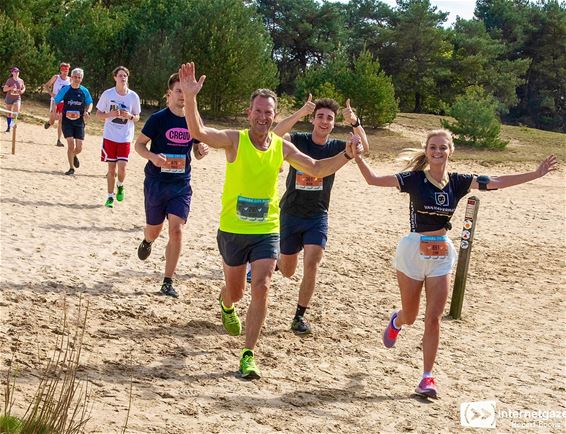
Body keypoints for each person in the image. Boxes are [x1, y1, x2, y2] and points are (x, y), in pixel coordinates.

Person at [178, 62, 364, 380]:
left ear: (274, 116)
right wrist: (191, 98)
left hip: (267, 229)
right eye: (259, 111)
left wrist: (346, 155)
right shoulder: (234, 140)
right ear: (249, 113)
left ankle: (248, 355)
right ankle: (225, 303)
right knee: (236, 293)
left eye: (269, 113)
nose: (264, 117)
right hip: (233, 231)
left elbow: (316, 168)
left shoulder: (281, 147)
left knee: (262, 285)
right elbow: (198, 132)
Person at [352, 129, 558, 398]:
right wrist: (356, 157)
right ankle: (397, 321)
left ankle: (426, 378)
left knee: (434, 318)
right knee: (412, 315)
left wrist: (535, 174)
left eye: (443, 147)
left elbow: (495, 181)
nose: (437, 152)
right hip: (413, 249)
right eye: (433, 147)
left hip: (441, 254)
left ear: (451, 150)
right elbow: (373, 180)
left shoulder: (459, 181)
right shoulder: (414, 179)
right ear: (426, 151)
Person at [271, 95, 369, 335]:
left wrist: (355, 122)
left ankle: (299, 316)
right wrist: (299, 113)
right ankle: (276, 262)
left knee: (313, 262)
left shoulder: (337, 146)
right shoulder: (299, 141)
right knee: (288, 271)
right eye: (320, 117)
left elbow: (364, 149)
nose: (324, 121)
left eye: (330, 118)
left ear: (334, 123)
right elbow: (274, 136)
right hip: (291, 212)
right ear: (313, 120)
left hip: (317, 215)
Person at [135, 73, 209, 298]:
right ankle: (147, 240)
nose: (182, 96)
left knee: (176, 231)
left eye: (186, 92)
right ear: (169, 95)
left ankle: (167, 281)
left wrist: (201, 151)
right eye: (178, 91)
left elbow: (197, 151)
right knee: (154, 230)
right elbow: (138, 145)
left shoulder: (193, 120)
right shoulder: (158, 119)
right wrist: (152, 157)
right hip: (156, 183)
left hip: (180, 184)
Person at [96, 66, 141, 208]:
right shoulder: (108, 94)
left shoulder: (133, 96)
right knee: (111, 168)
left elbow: (137, 117)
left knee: (122, 168)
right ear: (115, 77)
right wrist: (110, 114)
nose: (123, 78)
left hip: (125, 137)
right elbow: (98, 114)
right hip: (110, 136)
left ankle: (120, 185)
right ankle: (110, 196)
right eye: (120, 75)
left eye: (125, 76)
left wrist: (130, 116)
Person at [53, 67, 93, 175]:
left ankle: (74, 155)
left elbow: (90, 102)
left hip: (79, 122)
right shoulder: (66, 89)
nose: (76, 79)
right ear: (72, 77)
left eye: (79, 77)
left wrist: (88, 111)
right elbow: (55, 100)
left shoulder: (84, 91)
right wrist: (54, 113)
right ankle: (71, 168)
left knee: (79, 148)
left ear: (81, 79)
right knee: (70, 145)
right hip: (67, 121)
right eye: (75, 77)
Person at [43, 62, 71, 146]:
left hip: (64, 103)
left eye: (67, 70)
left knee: (61, 121)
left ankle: (58, 140)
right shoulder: (56, 77)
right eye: (64, 69)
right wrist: (51, 93)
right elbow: (46, 85)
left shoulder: (70, 80)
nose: (65, 71)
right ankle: (49, 122)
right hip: (55, 101)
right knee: (53, 120)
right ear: (61, 70)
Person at [3, 67, 25, 133]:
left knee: (16, 112)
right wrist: (11, 87)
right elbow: (4, 89)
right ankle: (8, 127)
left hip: (17, 98)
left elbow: (24, 88)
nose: (17, 73)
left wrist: (22, 91)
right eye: (15, 72)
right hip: (9, 98)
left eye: (18, 71)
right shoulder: (9, 80)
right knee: (9, 114)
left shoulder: (21, 80)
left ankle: (13, 124)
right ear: (12, 73)